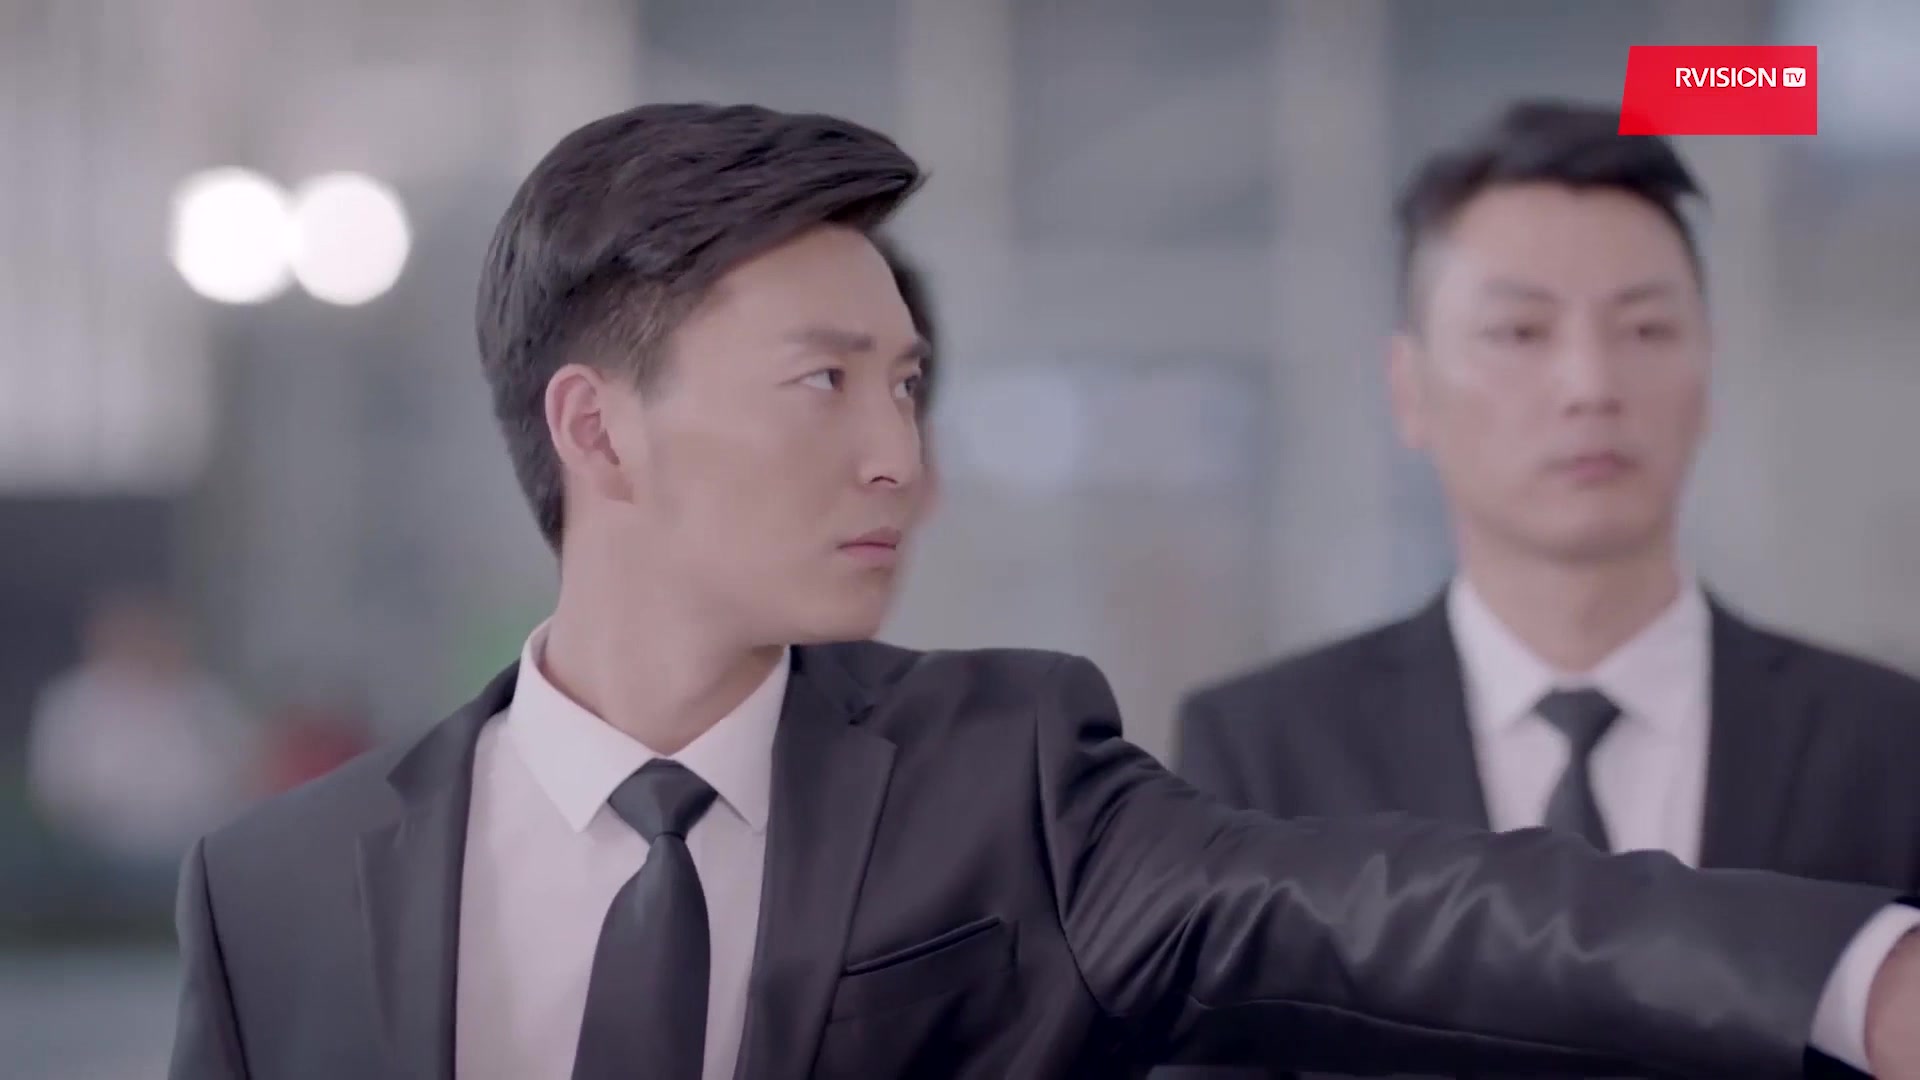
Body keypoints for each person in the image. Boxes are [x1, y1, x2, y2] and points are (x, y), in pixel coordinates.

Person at [168, 103, 1920, 1080]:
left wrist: (1864, 975)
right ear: (598, 429)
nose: (899, 458)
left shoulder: (1005, 778)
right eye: (825, 383)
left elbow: (1415, 905)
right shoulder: (277, 898)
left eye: (909, 385)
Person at [1171, 100, 1920, 1079]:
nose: (1589, 384)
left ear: (1708, 371)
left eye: (1645, 327)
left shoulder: (1889, 744)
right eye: (1520, 331)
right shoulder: (1264, 757)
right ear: (1409, 389)